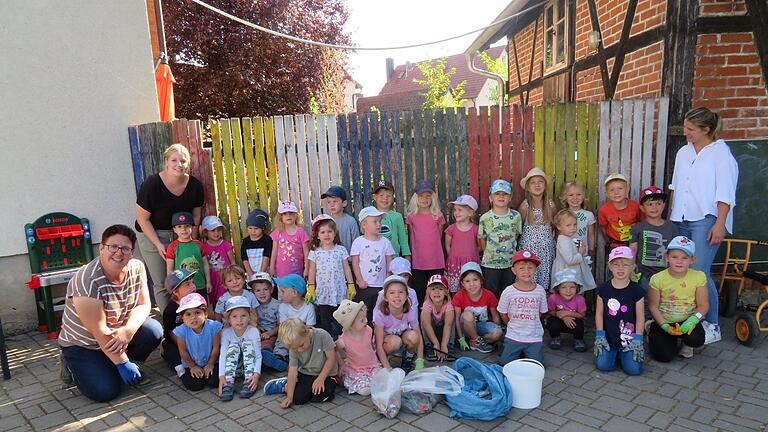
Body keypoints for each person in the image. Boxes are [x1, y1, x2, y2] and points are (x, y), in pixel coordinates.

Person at [58, 224, 162, 402]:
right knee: (105, 392)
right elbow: (99, 331)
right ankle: (74, 366)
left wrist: (128, 331)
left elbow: (144, 305)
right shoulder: (87, 280)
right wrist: (122, 363)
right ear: (101, 248)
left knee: (154, 331)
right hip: (85, 344)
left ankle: (111, 362)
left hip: (118, 333)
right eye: (113, 247)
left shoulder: (137, 267)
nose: (119, 253)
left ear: (132, 252)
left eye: (125, 248)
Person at [668, 107, 738, 344]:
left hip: (706, 219)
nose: (686, 132)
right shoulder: (684, 153)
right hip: (682, 218)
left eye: (690, 129)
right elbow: (675, 187)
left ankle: (713, 325)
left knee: (700, 272)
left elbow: (726, 193)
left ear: (706, 130)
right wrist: (670, 218)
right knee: (682, 270)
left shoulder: (721, 154)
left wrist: (720, 224)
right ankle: (690, 320)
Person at [135, 144, 204, 310]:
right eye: (174, 160)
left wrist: (191, 240)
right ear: (166, 162)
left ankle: (188, 317)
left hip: (183, 235)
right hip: (153, 234)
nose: (178, 164)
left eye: (183, 160)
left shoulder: (194, 185)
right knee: (163, 282)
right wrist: (158, 244)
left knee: (186, 279)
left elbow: (195, 216)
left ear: (188, 164)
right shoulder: (152, 184)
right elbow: (143, 219)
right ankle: (169, 326)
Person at [648, 236, 708, 361]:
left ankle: (687, 343)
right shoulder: (657, 279)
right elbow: (653, 306)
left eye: (684, 258)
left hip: (687, 319)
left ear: (692, 260)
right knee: (663, 356)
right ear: (667, 257)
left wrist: (692, 321)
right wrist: (664, 325)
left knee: (697, 339)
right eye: (674, 257)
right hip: (664, 320)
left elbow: (703, 305)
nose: (679, 261)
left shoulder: (698, 277)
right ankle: (652, 329)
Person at [264, 318, 338, 408]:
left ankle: (297, 386)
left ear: (307, 331)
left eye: (301, 345)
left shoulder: (322, 335)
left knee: (321, 396)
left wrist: (321, 378)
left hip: (327, 374)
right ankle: (286, 385)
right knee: (298, 399)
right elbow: (292, 370)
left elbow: (331, 358)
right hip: (306, 372)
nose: (299, 350)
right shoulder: (294, 346)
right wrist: (289, 397)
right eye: (295, 348)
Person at [594, 247, 645, 375]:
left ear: (633, 266)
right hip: (609, 338)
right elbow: (599, 314)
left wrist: (638, 338)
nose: (620, 268)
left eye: (625, 265)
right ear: (610, 266)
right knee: (603, 366)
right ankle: (615, 354)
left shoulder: (637, 290)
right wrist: (600, 334)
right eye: (616, 265)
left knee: (634, 370)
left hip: (630, 339)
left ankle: (624, 355)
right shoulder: (603, 289)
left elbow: (640, 317)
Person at [306, 214, 356, 338]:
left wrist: (351, 285)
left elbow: (346, 269)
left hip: (339, 290)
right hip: (323, 292)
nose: (326, 234)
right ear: (317, 235)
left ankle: (344, 342)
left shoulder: (341, 250)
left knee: (341, 320)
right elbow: (312, 271)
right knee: (325, 321)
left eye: (329, 231)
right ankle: (328, 343)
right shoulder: (315, 252)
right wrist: (311, 287)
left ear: (335, 233)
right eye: (322, 232)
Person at [497, 250, 548, 365]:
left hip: (533, 337)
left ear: (536, 269)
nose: (526, 271)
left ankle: (526, 352)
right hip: (514, 336)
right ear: (514, 270)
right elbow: (503, 312)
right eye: (521, 268)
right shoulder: (508, 291)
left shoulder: (540, 291)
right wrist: (511, 324)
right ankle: (509, 348)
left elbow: (541, 312)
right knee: (503, 363)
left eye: (530, 267)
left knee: (538, 365)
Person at [629, 186, 679, 291]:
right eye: (650, 204)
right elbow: (632, 250)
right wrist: (631, 267)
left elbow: (676, 251)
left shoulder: (672, 227)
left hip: (666, 274)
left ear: (664, 205)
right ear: (642, 207)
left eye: (658, 204)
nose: (654, 207)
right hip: (643, 274)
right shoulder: (638, 227)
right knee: (644, 299)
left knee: (663, 301)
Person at [478, 179, 522, 297]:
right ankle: (493, 314)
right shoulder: (485, 218)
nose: (501, 196)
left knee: (508, 291)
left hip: (510, 262)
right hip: (490, 263)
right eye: (497, 193)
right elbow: (482, 238)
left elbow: (516, 235)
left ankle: (505, 314)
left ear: (510, 197)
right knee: (491, 292)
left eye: (505, 194)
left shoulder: (516, 216)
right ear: (491, 197)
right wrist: (489, 253)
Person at [351, 206, 395, 323]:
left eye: (379, 221)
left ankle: (379, 334)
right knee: (365, 312)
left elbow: (389, 261)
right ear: (364, 225)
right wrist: (360, 280)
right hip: (365, 285)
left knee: (380, 312)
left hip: (381, 286)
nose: (378, 224)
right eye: (374, 222)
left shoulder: (385, 242)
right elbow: (355, 263)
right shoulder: (358, 242)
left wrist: (388, 279)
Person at [406, 180, 446, 305]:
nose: (424, 199)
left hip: (435, 261)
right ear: (415, 198)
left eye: (428, 196)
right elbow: (411, 236)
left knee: (436, 292)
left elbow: (439, 236)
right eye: (421, 196)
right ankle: (420, 319)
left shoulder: (437, 216)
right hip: (418, 262)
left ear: (432, 198)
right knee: (419, 291)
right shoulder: (411, 216)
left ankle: (436, 318)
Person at [374, 275, 425, 372]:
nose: (397, 296)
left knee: (413, 336)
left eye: (400, 292)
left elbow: (419, 336)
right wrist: (387, 370)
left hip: (402, 340)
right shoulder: (380, 315)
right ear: (385, 297)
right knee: (395, 342)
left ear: (406, 296)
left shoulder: (410, 311)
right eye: (392, 292)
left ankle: (408, 359)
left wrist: (420, 360)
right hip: (389, 343)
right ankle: (388, 361)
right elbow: (378, 345)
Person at [173, 293, 223, 390]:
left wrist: (210, 364)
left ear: (205, 314)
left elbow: (216, 347)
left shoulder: (213, 327)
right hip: (191, 363)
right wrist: (192, 366)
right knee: (195, 385)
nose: (193, 317)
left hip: (212, 361)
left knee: (214, 382)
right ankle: (182, 372)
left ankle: (207, 372)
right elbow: (183, 351)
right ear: (182, 318)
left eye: (197, 313)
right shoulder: (182, 331)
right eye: (188, 314)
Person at [452, 262, 504, 353]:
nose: (472, 284)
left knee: (497, 333)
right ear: (462, 284)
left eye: (475, 280)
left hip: (482, 326)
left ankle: (476, 341)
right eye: (467, 281)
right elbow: (456, 318)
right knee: (468, 315)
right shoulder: (459, 296)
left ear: (481, 281)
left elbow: (495, 316)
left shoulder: (489, 295)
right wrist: (460, 338)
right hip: (465, 326)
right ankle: (475, 340)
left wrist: (498, 335)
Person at [217, 296, 262, 401]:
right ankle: (228, 383)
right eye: (234, 316)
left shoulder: (253, 331)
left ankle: (249, 381)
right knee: (233, 347)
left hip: (249, 367)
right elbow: (223, 354)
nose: (239, 320)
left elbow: (258, 355)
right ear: (228, 318)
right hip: (233, 368)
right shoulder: (226, 332)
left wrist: (256, 375)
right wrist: (221, 376)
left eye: (243, 315)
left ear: (249, 316)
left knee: (248, 345)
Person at [518, 167, 557, 289]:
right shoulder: (525, 206)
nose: (537, 185)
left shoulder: (550, 205)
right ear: (528, 187)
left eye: (540, 182)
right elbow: (519, 229)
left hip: (546, 248)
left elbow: (555, 226)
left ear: (545, 185)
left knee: (546, 276)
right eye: (533, 182)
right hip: (529, 248)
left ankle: (544, 302)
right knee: (529, 276)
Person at [333, 300, 381, 395]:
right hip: (356, 369)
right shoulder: (343, 340)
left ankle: (370, 382)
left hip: (373, 366)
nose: (366, 321)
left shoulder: (368, 330)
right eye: (362, 320)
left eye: (365, 318)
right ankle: (343, 380)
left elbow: (370, 347)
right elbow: (334, 350)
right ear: (350, 326)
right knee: (364, 391)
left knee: (383, 381)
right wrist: (341, 364)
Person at [249, 272, 288, 372]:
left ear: (271, 290)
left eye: (265, 289)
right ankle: (264, 360)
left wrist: (269, 333)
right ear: (253, 292)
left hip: (273, 333)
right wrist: (256, 328)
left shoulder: (278, 305)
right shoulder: (253, 306)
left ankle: (272, 358)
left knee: (279, 340)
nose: (262, 293)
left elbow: (281, 325)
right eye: (257, 290)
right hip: (258, 334)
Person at [165, 211, 210, 298]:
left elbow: (205, 265)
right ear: (174, 229)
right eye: (179, 226)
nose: (184, 229)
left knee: (201, 307)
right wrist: (173, 287)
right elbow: (170, 270)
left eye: (187, 226)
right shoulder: (172, 247)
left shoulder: (199, 245)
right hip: (183, 288)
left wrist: (208, 282)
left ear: (192, 227)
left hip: (200, 285)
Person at [161, 269, 197, 375]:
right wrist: (188, 348)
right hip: (178, 342)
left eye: (192, 283)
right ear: (175, 291)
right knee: (170, 348)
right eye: (187, 284)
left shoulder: (197, 301)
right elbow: (172, 334)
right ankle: (180, 369)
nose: (193, 286)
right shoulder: (171, 310)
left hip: (196, 338)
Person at [551, 209, 596, 291]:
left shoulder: (567, 238)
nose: (573, 228)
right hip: (565, 275)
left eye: (575, 225)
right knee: (567, 293)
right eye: (568, 225)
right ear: (559, 227)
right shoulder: (564, 240)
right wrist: (580, 254)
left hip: (569, 273)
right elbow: (570, 260)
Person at [445, 194, 481, 294]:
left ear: (470, 212)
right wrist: (453, 257)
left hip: (471, 262)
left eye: (460, 210)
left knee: (471, 288)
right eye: (455, 210)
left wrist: (471, 256)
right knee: (455, 290)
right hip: (455, 263)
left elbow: (479, 246)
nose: (456, 212)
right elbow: (448, 246)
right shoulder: (451, 229)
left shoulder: (476, 229)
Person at [274, 274, 316, 358]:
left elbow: (310, 328)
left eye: (283, 291)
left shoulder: (309, 307)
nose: (281, 295)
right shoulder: (283, 307)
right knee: (281, 341)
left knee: (307, 342)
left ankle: (298, 359)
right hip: (287, 335)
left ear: (294, 293)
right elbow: (283, 327)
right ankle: (280, 357)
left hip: (302, 337)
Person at [547, 269, 587, 352]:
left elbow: (582, 314)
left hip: (573, 321)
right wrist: (562, 316)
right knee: (551, 321)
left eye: (572, 287)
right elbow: (550, 311)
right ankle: (555, 338)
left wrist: (566, 313)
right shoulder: (553, 298)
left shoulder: (579, 299)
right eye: (563, 287)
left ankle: (578, 339)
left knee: (580, 324)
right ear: (558, 288)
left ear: (577, 288)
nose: (568, 291)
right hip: (559, 320)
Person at [598, 173, 641, 249]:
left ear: (627, 189)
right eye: (612, 190)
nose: (616, 192)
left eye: (620, 188)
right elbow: (603, 227)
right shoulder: (604, 210)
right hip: (614, 244)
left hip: (634, 243)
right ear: (607, 194)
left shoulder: (635, 206)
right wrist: (608, 241)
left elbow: (641, 223)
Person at [420, 275, 456, 362]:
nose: (437, 292)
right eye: (433, 289)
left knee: (451, 319)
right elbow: (427, 325)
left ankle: (449, 345)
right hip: (432, 331)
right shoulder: (427, 304)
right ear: (428, 292)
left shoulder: (448, 304)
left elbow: (448, 325)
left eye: (440, 289)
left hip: (444, 331)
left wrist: (443, 345)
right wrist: (436, 344)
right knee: (423, 319)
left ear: (446, 292)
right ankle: (429, 345)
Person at [201, 215, 236, 306]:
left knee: (227, 300)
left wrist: (233, 276)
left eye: (218, 230)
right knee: (215, 302)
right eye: (213, 230)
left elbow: (232, 262)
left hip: (225, 279)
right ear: (205, 232)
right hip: (212, 279)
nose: (216, 233)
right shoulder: (203, 247)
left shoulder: (226, 245)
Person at [270, 201, 310, 278]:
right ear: (280, 217)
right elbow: (274, 251)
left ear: (296, 215)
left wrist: (307, 268)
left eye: (291, 213)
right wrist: (272, 267)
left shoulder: (301, 232)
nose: (288, 216)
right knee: (283, 289)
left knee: (296, 289)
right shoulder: (278, 232)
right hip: (281, 272)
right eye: (285, 213)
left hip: (297, 271)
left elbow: (306, 252)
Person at [373, 180, 411, 259]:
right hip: (375, 258)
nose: (385, 198)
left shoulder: (397, 217)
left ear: (393, 198)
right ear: (375, 197)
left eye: (388, 196)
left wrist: (407, 259)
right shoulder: (371, 215)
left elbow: (403, 240)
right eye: (381, 195)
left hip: (394, 258)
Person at [561, 181, 596, 266]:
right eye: (571, 195)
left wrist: (591, 251)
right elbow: (559, 235)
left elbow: (591, 235)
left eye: (578, 194)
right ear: (565, 197)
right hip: (567, 253)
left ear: (584, 196)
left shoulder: (588, 215)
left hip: (583, 253)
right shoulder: (562, 215)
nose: (575, 198)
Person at [321, 185, 359, 254]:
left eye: (335, 201)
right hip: (330, 261)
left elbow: (357, 244)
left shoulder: (351, 221)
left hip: (348, 261)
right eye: (329, 202)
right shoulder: (325, 222)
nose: (332, 205)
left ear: (344, 203)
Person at [241, 208, 273, 276]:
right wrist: (250, 272)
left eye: (256, 228)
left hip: (264, 273)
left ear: (262, 228)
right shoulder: (245, 241)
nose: (253, 231)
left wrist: (261, 273)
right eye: (250, 228)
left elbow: (266, 257)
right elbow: (245, 259)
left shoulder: (267, 240)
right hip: (251, 273)